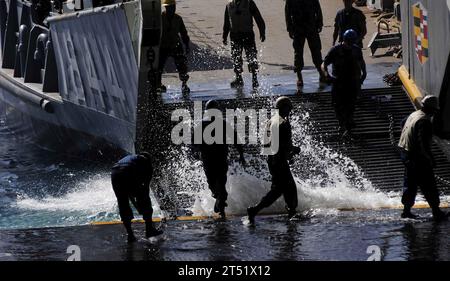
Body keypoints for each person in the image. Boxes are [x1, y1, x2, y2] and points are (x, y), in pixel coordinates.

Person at [247, 96, 301, 224]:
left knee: (285, 188)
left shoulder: (271, 121)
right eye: (289, 107)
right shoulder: (283, 123)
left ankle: (291, 212)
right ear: (285, 108)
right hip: (279, 161)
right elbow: (284, 145)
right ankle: (254, 210)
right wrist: (294, 150)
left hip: (273, 160)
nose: (290, 110)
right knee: (282, 189)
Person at [398, 96, 449, 221]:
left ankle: (406, 211)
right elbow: (423, 144)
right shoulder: (424, 121)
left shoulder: (414, 114)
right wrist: (430, 159)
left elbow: (402, 123)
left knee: (410, 182)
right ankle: (436, 212)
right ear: (432, 109)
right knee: (428, 184)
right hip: (417, 156)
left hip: (405, 152)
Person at [195, 100, 246, 219]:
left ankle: (221, 207)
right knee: (213, 185)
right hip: (210, 160)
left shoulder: (222, 124)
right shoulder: (202, 125)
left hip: (218, 159)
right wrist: (197, 151)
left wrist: (241, 154)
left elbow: (235, 139)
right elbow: (194, 142)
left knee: (220, 185)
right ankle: (219, 200)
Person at [321, 29, 367, 136]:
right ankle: (341, 123)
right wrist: (326, 74)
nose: (350, 45)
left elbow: (361, 62)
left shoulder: (356, 50)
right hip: (338, 81)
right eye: (349, 42)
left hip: (352, 81)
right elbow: (324, 64)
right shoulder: (335, 50)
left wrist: (364, 73)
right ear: (344, 40)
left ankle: (348, 124)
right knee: (337, 104)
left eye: (352, 42)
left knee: (351, 103)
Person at [111, 152, 163, 243]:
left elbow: (129, 194)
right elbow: (145, 189)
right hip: (128, 170)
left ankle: (130, 235)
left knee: (123, 203)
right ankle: (149, 230)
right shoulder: (146, 163)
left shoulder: (132, 158)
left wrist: (138, 205)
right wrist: (144, 207)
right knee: (145, 200)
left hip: (114, 173)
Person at [223, 0, 266, 89]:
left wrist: (262, 32)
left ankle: (254, 79)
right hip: (235, 35)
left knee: (251, 56)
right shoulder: (229, 5)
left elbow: (258, 18)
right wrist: (224, 35)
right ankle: (239, 78)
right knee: (236, 57)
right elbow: (227, 22)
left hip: (247, 34)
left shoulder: (249, 3)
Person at [285, 0, 326, 91]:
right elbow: (287, 13)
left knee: (316, 51)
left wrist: (320, 22)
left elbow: (317, 8)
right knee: (298, 53)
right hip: (298, 27)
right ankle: (299, 77)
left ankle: (321, 73)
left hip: (311, 26)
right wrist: (289, 28)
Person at [158, 0, 191, 94]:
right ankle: (158, 84)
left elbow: (184, 33)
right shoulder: (160, 18)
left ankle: (184, 84)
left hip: (175, 45)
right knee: (159, 67)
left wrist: (187, 45)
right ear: (166, 8)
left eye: (173, 7)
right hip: (163, 46)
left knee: (182, 65)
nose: (172, 9)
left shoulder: (178, 19)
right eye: (169, 7)